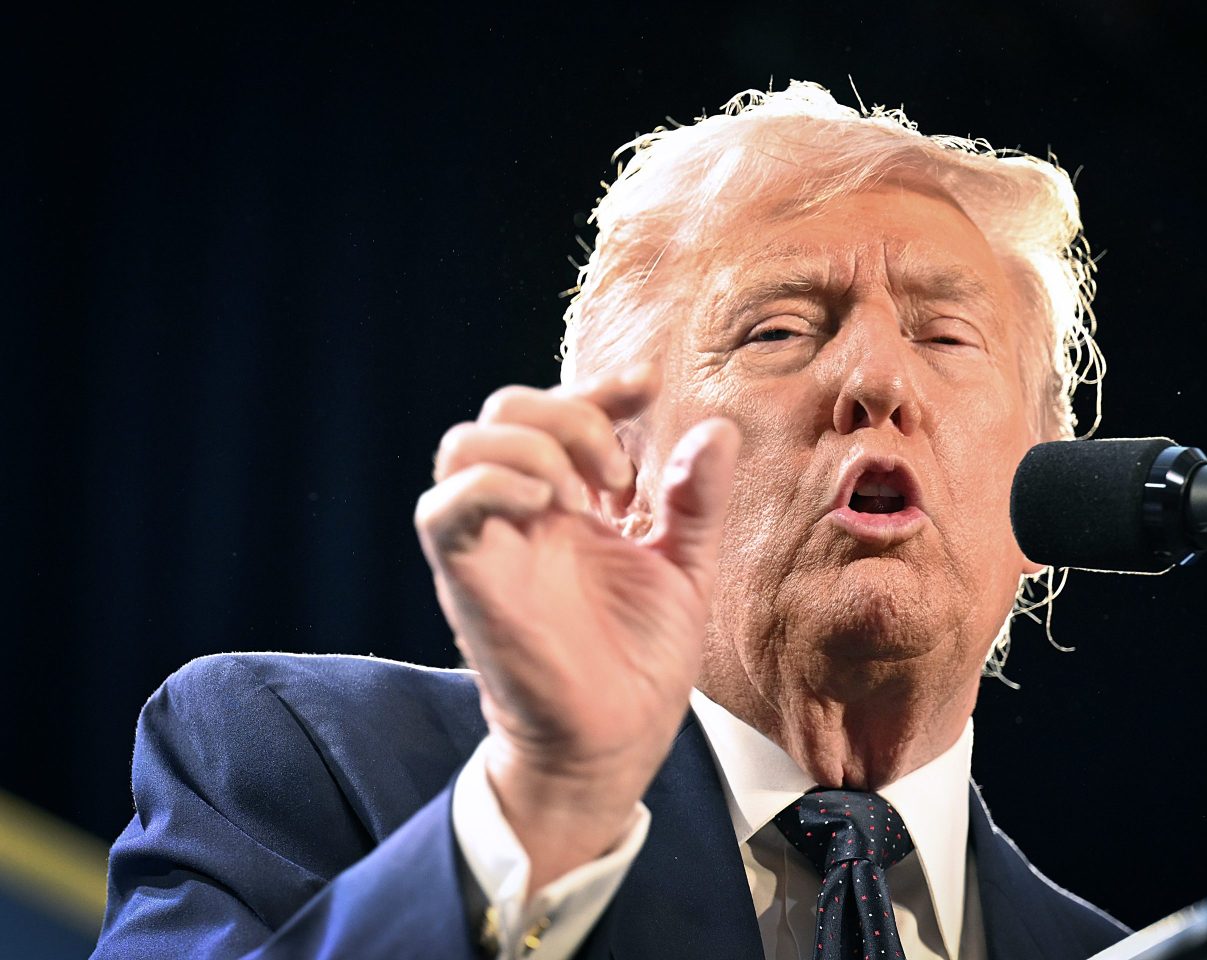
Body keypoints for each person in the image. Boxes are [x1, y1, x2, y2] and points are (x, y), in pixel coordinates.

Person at [93, 82, 1128, 960]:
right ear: (614, 468)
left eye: (946, 336)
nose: (876, 378)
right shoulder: (307, 767)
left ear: (1050, 495)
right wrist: (544, 812)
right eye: (777, 329)